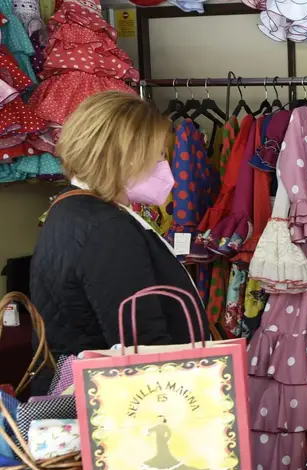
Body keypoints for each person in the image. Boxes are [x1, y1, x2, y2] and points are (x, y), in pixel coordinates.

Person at [31, 91, 207, 393]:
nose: (164, 164)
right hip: (133, 403)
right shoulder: (105, 227)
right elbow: (141, 339)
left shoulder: (69, 209)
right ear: (126, 156)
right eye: (159, 155)